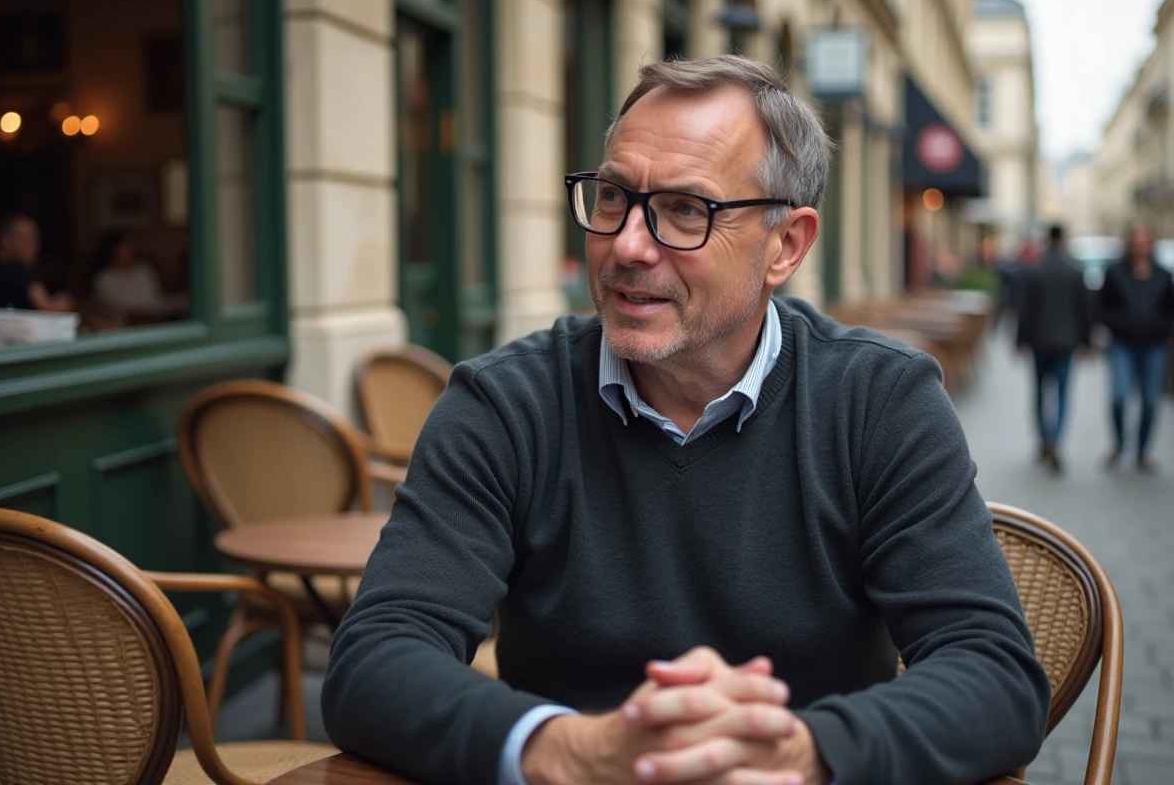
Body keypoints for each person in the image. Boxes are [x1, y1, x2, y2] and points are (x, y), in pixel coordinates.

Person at [323, 56, 1048, 785]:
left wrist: (802, 751)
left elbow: (994, 675)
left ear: (785, 246)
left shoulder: (879, 400)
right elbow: (376, 658)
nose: (629, 245)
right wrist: (567, 751)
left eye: (684, 210)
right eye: (613, 197)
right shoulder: (508, 405)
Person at [1015, 224, 1093, 473]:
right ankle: (1055, 441)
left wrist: (1019, 341)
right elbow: (1085, 310)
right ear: (1065, 239)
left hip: (1039, 341)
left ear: (1047, 239)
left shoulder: (1034, 270)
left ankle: (1044, 440)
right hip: (1066, 342)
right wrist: (1087, 342)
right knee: (1061, 394)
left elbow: (1025, 310)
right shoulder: (1076, 270)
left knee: (1039, 392)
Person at [1099, 222, 1174, 473]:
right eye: (1136, 240)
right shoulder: (1115, 272)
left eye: (1145, 240)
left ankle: (1142, 451)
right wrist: (1121, 324)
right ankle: (1119, 445)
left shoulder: (1163, 274)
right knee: (1119, 397)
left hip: (1154, 346)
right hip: (1123, 344)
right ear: (1129, 243)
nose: (1141, 245)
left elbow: (1169, 310)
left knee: (1151, 401)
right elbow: (1102, 308)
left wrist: (1160, 328)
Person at [89, 231, 182, 319]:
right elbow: (108, 310)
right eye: (125, 247)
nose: (130, 251)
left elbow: (159, 298)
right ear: (114, 251)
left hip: (160, 317)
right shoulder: (104, 279)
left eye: (131, 246)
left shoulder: (145, 270)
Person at [0, 214, 74, 312]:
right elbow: (48, 307)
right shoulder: (18, 272)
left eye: (36, 241)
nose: (35, 248)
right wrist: (63, 303)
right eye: (27, 240)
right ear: (5, 240)